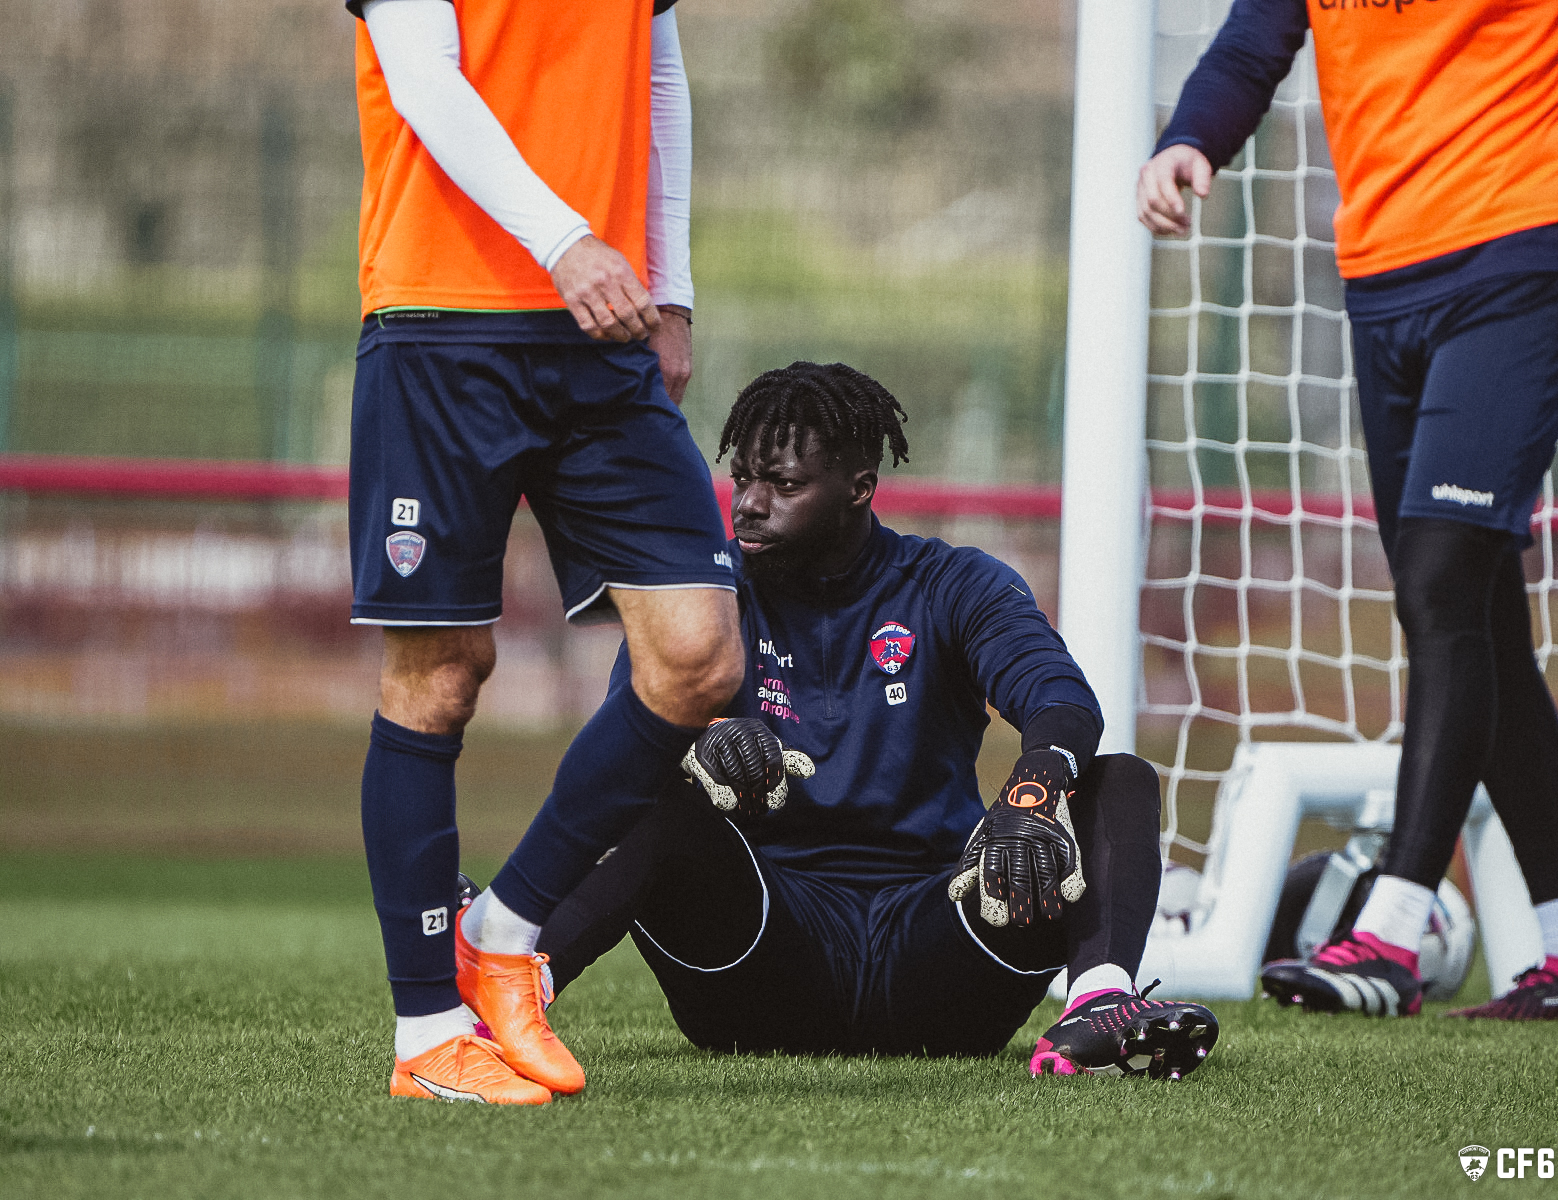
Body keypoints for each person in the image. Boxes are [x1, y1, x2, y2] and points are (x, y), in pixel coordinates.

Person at [489, 361, 1221, 1077]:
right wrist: (703, 743)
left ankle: (1097, 1007)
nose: (748, 503)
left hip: (940, 956)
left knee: (1115, 780)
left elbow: (1062, 699)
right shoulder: (710, 596)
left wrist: (1028, 797)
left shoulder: (951, 584)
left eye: (783, 484)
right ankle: (513, 988)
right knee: (647, 787)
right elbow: (629, 740)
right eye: (744, 478)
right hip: (763, 960)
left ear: (859, 489)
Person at [1138, 0, 1558, 1020]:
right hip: (1379, 280)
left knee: (1438, 578)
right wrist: (1187, 140)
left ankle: (1391, 927)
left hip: (1519, 256)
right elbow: (1256, 38)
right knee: (1470, 611)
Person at [348, 0, 746, 1105]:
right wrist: (562, 237)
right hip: (442, 323)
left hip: (601, 329)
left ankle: (504, 929)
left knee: (701, 656)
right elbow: (425, 80)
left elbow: (659, 83)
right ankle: (428, 1032)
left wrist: (670, 289)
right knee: (441, 670)